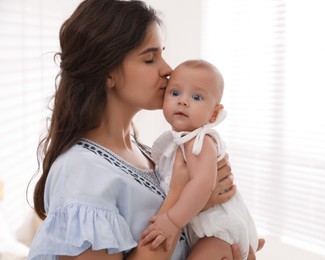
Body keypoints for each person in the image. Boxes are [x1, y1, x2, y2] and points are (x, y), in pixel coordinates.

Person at [27, 0, 263, 259]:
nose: (168, 69)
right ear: (108, 74)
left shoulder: (148, 152)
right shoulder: (80, 172)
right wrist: (183, 201)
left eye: (162, 54)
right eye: (150, 59)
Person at [139, 60, 259, 260]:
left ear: (213, 114)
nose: (183, 101)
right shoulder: (177, 142)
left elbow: (203, 184)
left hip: (218, 232)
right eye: (175, 93)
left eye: (196, 97)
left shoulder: (200, 141)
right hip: (202, 230)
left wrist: (172, 220)